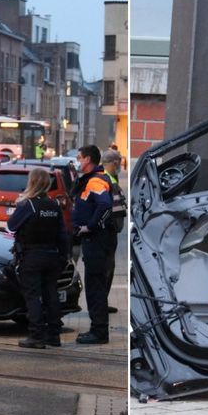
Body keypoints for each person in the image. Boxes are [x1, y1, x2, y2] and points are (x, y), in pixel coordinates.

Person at [7, 168, 69, 349]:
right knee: (51, 295)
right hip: (52, 256)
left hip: (32, 256)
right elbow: (63, 234)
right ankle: (54, 335)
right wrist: (64, 257)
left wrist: (19, 203)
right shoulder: (54, 205)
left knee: (33, 296)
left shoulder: (28, 205)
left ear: (32, 182)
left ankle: (36, 336)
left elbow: (11, 226)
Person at [72, 145, 113, 344]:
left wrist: (89, 226)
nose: (78, 161)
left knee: (95, 288)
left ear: (88, 159)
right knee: (96, 286)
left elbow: (105, 204)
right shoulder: (95, 179)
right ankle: (97, 329)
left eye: (80, 158)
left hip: (96, 242)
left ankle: (99, 332)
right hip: (96, 241)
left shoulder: (95, 181)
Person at [101, 149, 127, 314]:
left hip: (111, 232)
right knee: (105, 269)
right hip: (107, 232)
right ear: (115, 163)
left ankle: (103, 301)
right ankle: (100, 304)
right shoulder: (106, 180)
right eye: (118, 162)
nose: (120, 165)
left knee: (109, 269)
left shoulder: (112, 178)